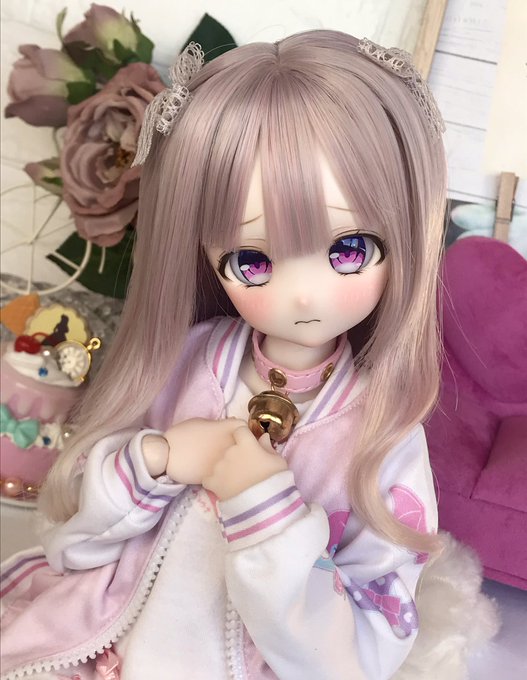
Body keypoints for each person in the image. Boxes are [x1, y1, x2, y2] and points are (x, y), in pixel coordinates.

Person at [0, 30, 448, 680]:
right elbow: (72, 544)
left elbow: (363, 652)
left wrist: (267, 512)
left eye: (348, 250)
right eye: (252, 261)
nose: (303, 295)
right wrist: (152, 460)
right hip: (102, 646)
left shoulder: (381, 431)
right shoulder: (188, 359)